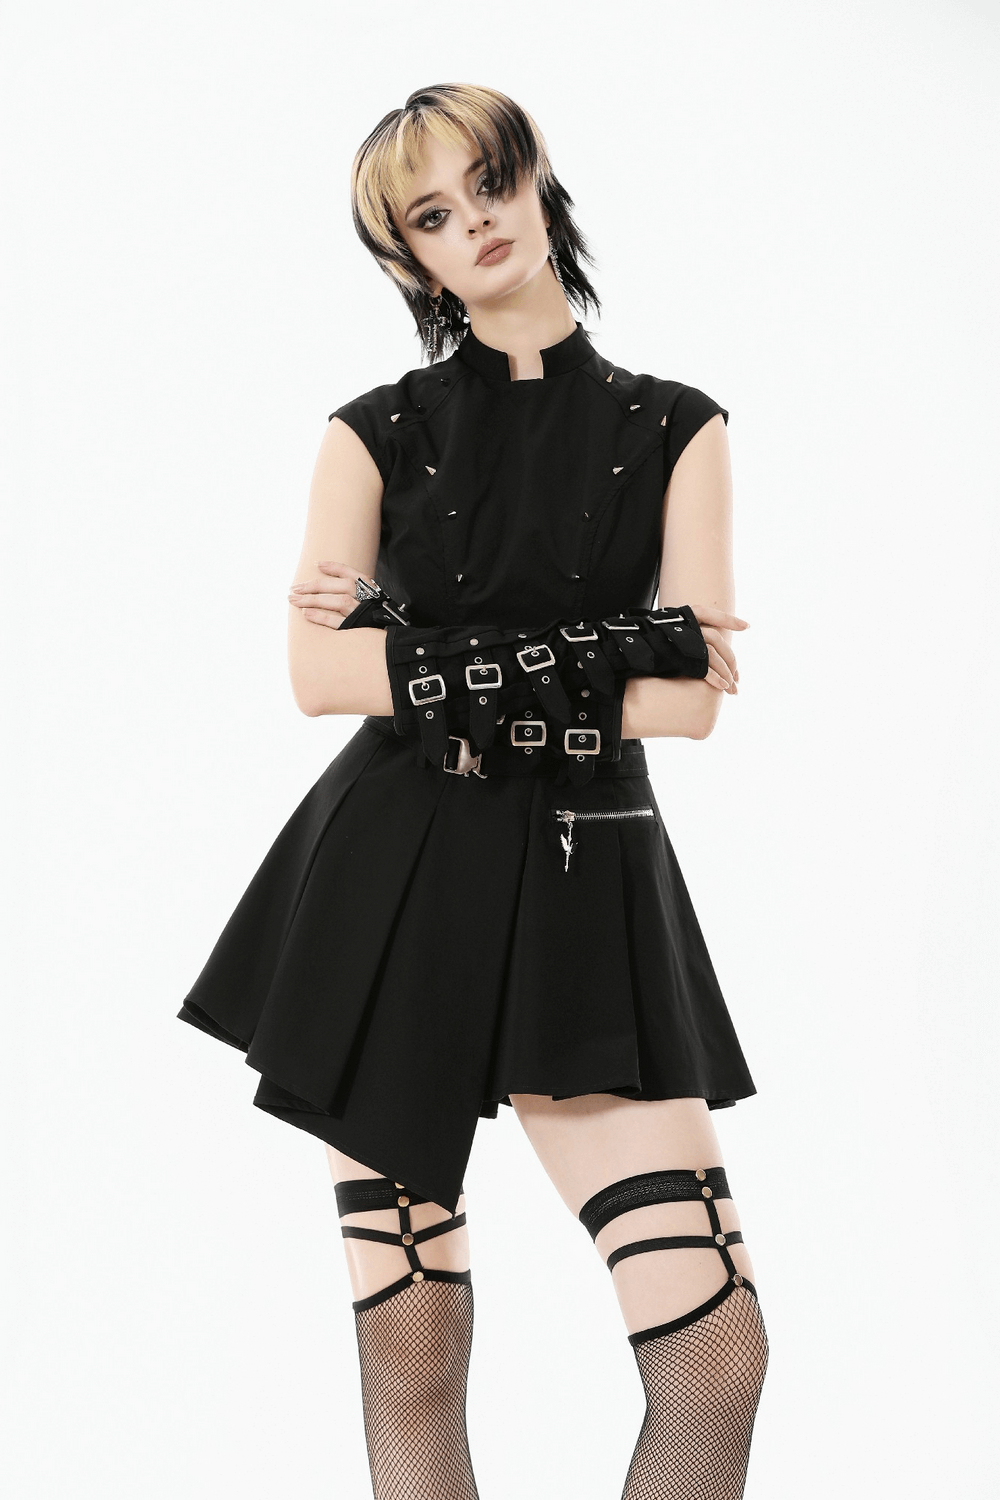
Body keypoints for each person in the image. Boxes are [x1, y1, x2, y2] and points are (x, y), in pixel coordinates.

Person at [177, 82, 768, 1500]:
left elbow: (690, 701)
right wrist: (602, 649)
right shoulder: (369, 431)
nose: (475, 223)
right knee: (415, 1354)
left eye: (487, 184)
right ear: (411, 259)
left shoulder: (680, 426)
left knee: (717, 1351)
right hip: (393, 878)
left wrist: (423, 652)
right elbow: (320, 679)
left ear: (534, 173)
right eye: (432, 217)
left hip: (588, 871)